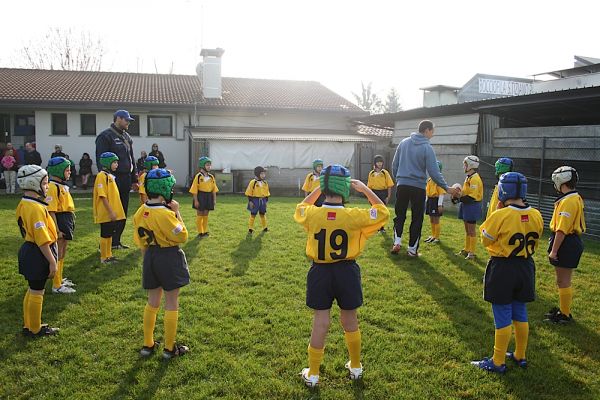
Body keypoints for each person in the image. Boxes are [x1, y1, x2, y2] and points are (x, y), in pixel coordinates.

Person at [294, 164, 389, 387]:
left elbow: (300, 207)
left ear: (324, 186)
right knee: (350, 319)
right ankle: (355, 367)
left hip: (320, 271)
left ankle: (314, 373)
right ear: (346, 188)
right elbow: (383, 211)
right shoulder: (355, 216)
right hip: (347, 271)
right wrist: (366, 189)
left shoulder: (313, 214)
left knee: (320, 322)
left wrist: (317, 189)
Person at [471, 172, 543, 373]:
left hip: (503, 267)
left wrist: (494, 214)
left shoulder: (500, 215)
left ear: (503, 190)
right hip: (526, 266)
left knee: (502, 313)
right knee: (520, 311)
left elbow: (485, 239)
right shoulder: (536, 214)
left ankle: (497, 361)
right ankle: (520, 354)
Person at [134, 168, 190, 359]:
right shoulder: (165, 214)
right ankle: (169, 348)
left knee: (152, 301)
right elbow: (182, 235)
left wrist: (148, 259)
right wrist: (177, 212)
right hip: (168, 257)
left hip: (150, 257)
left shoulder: (141, 211)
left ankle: (147, 344)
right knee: (172, 302)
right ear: (166, 189)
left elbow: (141, 242)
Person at [390, 120, 458, 256]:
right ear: (426, 130)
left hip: (402, 185)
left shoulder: (403, 143)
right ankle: (411, 250)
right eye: (432, 131)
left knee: (400, 215)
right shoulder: (427, 148)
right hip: (418, 187)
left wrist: (399, 179)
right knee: (417, 218)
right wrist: (446, 188)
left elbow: (394, 165)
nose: (433, 134)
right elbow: (434, 172)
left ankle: (397, 242)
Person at [16, 165, 60, 336]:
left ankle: (29, 325)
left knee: (32, 288)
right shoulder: (35, 208)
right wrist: (52, 262)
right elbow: (42, 240)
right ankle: (35, 328)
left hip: (29, 249)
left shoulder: (25, 203)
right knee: (37, 291)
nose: (47, 186)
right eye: (45, 183)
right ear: (34, 184)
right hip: (37, 252)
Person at [544, 166, 586, 324]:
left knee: (562, 280)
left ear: (561, 180)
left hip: (566, 242)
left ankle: (565, 314)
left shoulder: (568, 201)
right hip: (570, 241)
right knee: (564, 280)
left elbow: (562, 229)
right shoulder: (573, 197)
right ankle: (564, 312)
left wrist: (554, 251)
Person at [95, 110, 138, 249]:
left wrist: (134, 179)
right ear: (118, 119)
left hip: (125, 178)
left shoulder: (126, 136)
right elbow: (101, 160)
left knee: (122, 211)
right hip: (113, 179)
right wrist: (106, 179)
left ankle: (116, 241)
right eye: (126, 120)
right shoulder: (105, 136)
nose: (128, 123)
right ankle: (105, 244)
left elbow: (131, 159)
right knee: (110, 212)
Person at [46, 157, 77, 294]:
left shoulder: (61, 186)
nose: (69, 173)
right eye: (67, 170)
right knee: (58, 251)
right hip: (60, 220)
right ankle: (56, 285)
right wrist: (57, 230)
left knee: (63, 250)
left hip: (66, 219)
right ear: (58, 171)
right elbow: (51, 211)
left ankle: (59, 278)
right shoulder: (52, 187)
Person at [93, 152, 126, 264]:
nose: (117, 164)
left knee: (110, 233)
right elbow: (102, 196)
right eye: (115, 162)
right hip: (106, 212)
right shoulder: (101, 176)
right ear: (108, 163)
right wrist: (111, 212)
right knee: (105, 233)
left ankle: (109, 255)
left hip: (112, 212)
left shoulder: (109, 176)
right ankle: (103, 257)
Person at [456, 156, 484, 260]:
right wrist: (458, 194)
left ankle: (472, 253)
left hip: (472, 205)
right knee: (467, 230)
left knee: (471, 230)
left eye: (465, 164)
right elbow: (465, 193)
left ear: (471, 165)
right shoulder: (469, 177)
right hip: (466, 205)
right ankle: (467, 249)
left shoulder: (475, 178)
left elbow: (472, 196)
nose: (463, 166)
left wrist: (459, 198)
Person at [189, 156, 219, 238]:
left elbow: (214, 190)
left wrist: (214, 200)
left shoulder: (211, 177)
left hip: (209, 197)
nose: (209, 166)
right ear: (202, 166)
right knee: (200, 214)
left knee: (206, 214)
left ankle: (205, 231)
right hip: (200, 196)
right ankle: (200, 232)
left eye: (210, 165)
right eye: (207, 165)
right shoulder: (198, 176)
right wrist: (196, 201)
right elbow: (194, 190)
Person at [367, 155, 394, 233]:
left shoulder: (385, 173)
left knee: (382, 211)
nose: (379, 164)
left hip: (383, 193)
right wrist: (369, 196)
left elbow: (389, 186)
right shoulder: (371, 173)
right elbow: (369, 187)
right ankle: (374, 227)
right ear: (375, 163)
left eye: (381, 162)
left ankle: (381, 228)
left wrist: (388, 197)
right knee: (374, 210)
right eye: (378, 162)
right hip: (374, 193)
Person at [423, 161, 446, 244]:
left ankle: (437, 237)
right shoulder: (429, 180)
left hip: (436, 201)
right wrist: (426, 201)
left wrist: (439, 204)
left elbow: (441, 193)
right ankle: (432, 235)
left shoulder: (439, 180)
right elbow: (427, 191)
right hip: (430, 200)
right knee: (431, 218)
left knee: (436, 219)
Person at [245, 166, 270, 234]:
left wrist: (266, 202)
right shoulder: (253, 182)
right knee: (253, 214)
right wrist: (250, 201)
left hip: (263, 201)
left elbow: (267, 193)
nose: (263, 175)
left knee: (262, 214)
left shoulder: (265, 183)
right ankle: (250, 229)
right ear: (257, 174)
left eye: (264, 173)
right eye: (262, 173)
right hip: (254, 201)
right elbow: (249, 193)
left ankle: (265, 227)